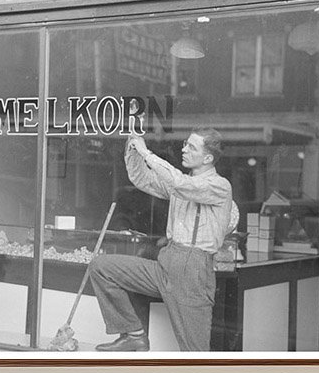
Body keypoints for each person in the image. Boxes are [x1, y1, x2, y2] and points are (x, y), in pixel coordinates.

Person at [90, 128, 234, 352]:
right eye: (185, 144)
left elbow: (181, 186)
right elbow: (142, 179)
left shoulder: (219, 185)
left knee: (194, 355)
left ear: (208, 158)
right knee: (102, 267)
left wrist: (147, 153)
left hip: (193, 271)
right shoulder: (182, 182)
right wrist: (133, 148)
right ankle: (134, 334)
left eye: (191, 147)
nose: (183, 149)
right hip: (167, 262)